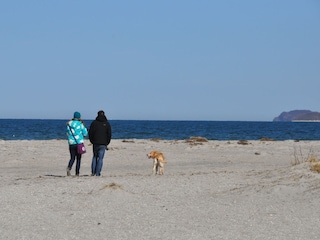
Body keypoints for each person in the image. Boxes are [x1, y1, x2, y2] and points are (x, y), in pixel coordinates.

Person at [89, 110, 112, 176]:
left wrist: (92, 140)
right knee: (100, 158)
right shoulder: (106, 123)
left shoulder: (94, 123)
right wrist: (107, 142)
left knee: (95, 157)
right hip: (102, 143)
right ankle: (98, 173)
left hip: (96, 142)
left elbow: (90, 133)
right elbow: (109, 134)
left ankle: (93, 172)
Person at [66, 111, 88, 176]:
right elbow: (85, 133)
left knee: (72, 157)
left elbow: (67, 133)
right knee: (78, 158)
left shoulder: (69, 124)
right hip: (79, 143)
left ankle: (69, 167)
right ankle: (77, 173)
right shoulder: (81, 124)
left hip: (71, 143)